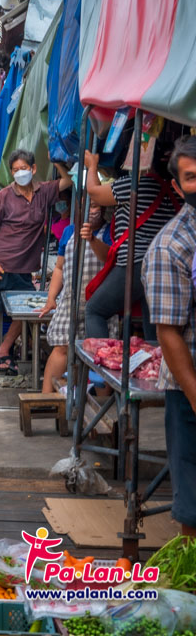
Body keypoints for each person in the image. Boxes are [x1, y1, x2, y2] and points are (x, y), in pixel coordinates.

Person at [141, 135, 196, 537]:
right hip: (190, 390)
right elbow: (168, 333)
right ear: (177, 187)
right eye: (192, 177)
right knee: (194, 509)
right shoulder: (171, 246)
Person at [0, 150, 73, 374]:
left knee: (26, 312)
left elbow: (69, 181)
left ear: (33, 169)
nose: (19, 173)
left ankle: (4, 350)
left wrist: (56, 158)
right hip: (0, 262)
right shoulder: (3, 196)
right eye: (15, 170)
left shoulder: (44, 191)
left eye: (24, 168)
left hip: (25, 267)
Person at [83, 149, 180, 342]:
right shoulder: (177, 191)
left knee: (95, 310)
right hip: (164, 266)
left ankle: (100, 366)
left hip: (135, 263)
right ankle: (154, 371)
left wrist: (92, 166)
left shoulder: (136, 184)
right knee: (154, 326)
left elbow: (95, 193)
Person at [38, 205, 111, 394]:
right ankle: (46, 398)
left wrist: (92, 240)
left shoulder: (109, 231)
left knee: (101, 352)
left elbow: (110, 258)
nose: (92, 210)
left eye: (96, 206)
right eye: (89, 206)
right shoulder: (69, 231)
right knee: (62, 348)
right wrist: (51, 298)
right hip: (71, 301)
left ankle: (103, 410)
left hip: (101, 303)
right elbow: (60, 268)